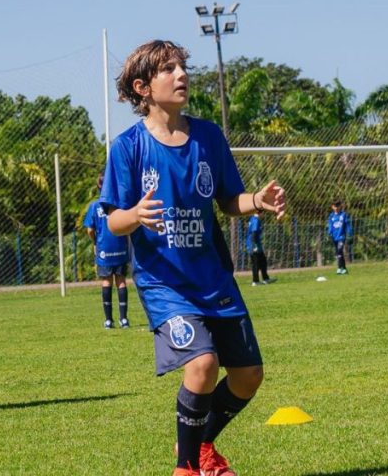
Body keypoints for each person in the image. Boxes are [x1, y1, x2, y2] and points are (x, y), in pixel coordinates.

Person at [100, 39, 286, 476]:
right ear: (143, 87)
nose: (182, 74)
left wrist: (256, 199)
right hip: (165, 284)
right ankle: (185, 468)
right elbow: (112, 222)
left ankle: (201, 446)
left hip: (214, 280)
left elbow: (228, 201)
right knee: (202, 364)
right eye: (169, 69)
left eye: (183, 66)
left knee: (249, 376)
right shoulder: (128, 147)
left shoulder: (208, 136)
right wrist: (133, 215)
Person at [83, 174, 132, 329]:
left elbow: (90, 229)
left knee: (106, 282)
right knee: (121, 281)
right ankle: (124, 319)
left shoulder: (94, 206)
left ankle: (108, 320)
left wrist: (95, 241)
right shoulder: (119, 204)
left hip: (104, 248)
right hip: (120, 247)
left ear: (98, 187)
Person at [246, 212, 274, 286]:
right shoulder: (256, 220)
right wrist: (254, 246)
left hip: (256, 244)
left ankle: (266, 279)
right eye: (263, 213)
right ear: (260, 213)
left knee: (263, 261)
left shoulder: (253, 218)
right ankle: (255, 281)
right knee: (255, 263)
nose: (264, 214)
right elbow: (254, 233)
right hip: (254, 245)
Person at [327, 199, 353, 275]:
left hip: (341, 236)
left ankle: (339, 268)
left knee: (339, 250)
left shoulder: (343, 215)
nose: (336, 208)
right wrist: (329, 233)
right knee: (339, 253)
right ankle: (344, 269)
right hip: (334, 237)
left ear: (340, 206)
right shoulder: (331, 216)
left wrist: (350, 234)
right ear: (332, 207)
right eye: (335, 206)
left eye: (338, 206)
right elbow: (330, 226)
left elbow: (347, 225)